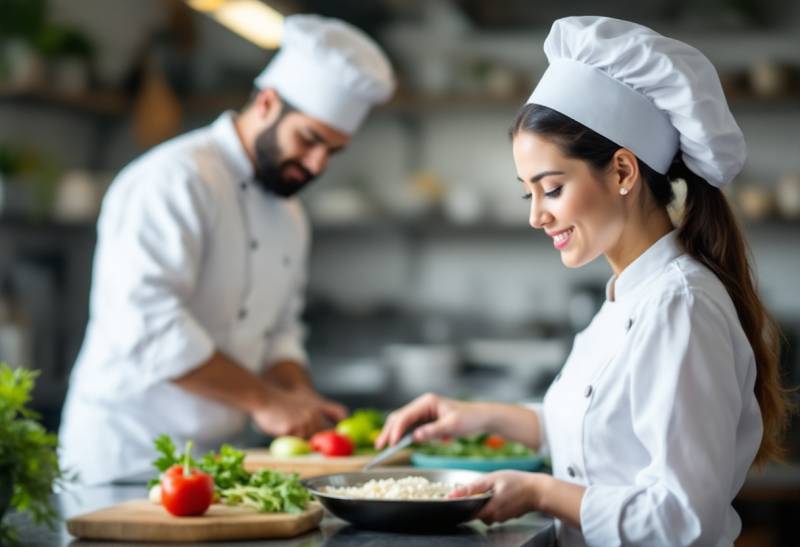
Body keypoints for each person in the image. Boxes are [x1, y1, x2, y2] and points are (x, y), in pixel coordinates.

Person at [376, 16, 789, 546]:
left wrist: (539, 492)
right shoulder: (627, 294)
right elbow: (598, 432)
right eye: (530, 193)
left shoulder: (680, 306)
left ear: (622, 171)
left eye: (551, 188)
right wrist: (472, 416)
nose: (537, 217)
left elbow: (682, 519)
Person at [59, 14, 395, 485]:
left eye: (332, 152)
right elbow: (148, 328)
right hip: (123, 461)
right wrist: (266, 402)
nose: (318, 164)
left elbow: (279, 327)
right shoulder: (174, 180)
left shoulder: (289, 212)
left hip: (215, 463)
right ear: (267, 102)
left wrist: (295, 391)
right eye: (310, 139)